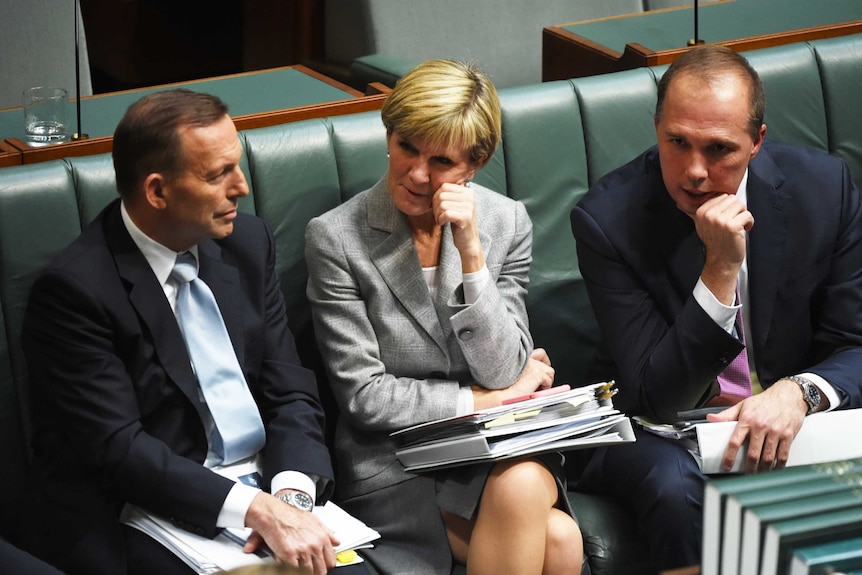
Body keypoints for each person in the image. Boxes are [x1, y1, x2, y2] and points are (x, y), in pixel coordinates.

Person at [20, 89, 359, 575]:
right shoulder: (76, 291)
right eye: (218, 174)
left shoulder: (246, 242)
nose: (241, 186)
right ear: (157, 191)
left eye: (236, 166)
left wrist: (290, 497)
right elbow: (120, 450)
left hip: (267, 489)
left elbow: (289, 388)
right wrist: (256, 510)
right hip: (143, 510)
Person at [570, 44, 862, 570]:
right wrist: (720, 269)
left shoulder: (824, 189)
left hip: (786, 411)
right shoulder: (606, 220)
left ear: (757, 143)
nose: (694, 171)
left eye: (719, 149)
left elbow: (854, 343)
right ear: (656, 127)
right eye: (676, 143)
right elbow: (656, 396)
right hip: (652, 427)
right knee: (673, 483)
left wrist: (798, 393)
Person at [305, 59, 583, 575]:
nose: (415, 174)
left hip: (497, 449)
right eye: (406, 146)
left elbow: (503, 367)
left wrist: (472, 254)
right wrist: (486, 401)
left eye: (441, 162)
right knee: (560, 540)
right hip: (397, 462)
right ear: (388, 133)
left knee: (526, 489)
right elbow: (365, 397)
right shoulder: (336, 238)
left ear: (474, 165)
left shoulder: (505, 223)